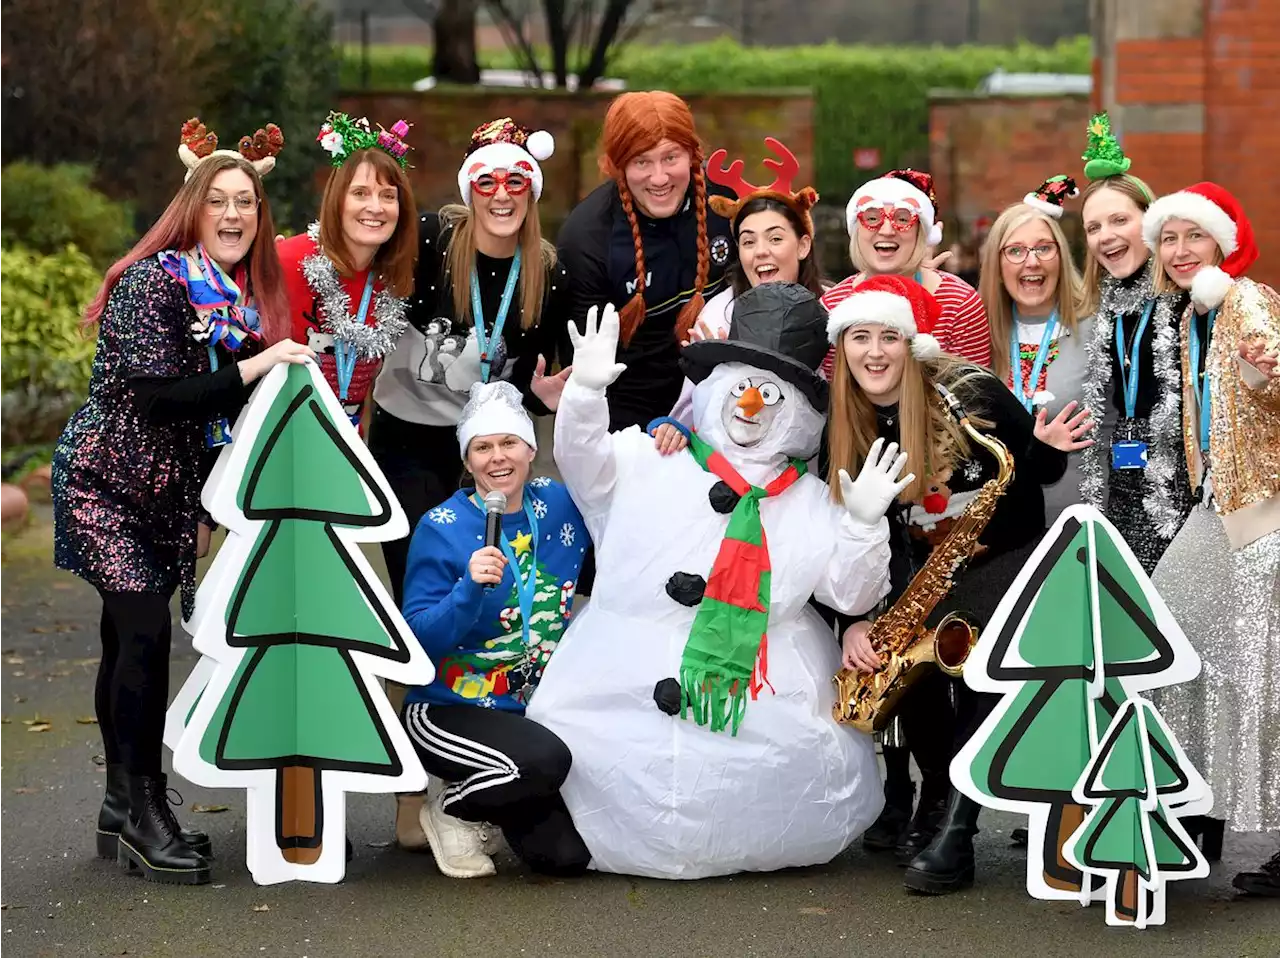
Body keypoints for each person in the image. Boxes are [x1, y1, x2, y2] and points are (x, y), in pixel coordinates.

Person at [527, 284, 902, 879]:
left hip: (764, 681)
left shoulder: (809, 500)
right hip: (620, 670)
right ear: (715, 386)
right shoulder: (649, 457)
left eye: (771, 393)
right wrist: (586, 393)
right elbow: (583, 463)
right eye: (740, 385)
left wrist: (861, 524)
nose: (751, 405)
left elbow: (849, 595)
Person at [51, 118, 313, 886]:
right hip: (106, 483)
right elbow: (159, 397)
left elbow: (211, 423)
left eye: (248, 204)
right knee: (143, 637)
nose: (234, 216)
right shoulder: (151, 283)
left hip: (169, 497)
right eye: (219, 202)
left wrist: (206, 503)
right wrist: (261, 362)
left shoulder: (234, 298)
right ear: (193, 210)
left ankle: (116, 799)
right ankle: (146, 807)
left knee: (123, 638)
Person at [824, 274, 1093, 895]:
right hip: (911, 575)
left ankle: (959, 832)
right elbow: (838, 532)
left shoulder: (970, 393)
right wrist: (859, 618)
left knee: (971, 662)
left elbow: (1032, 471)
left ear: (912, 344)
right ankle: (939, 792)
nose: (874, 352)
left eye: (889, 337)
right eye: (859, 337)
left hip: (1005, 558)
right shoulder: (845, 418)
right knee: (906, 656)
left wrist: (1042, 451)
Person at [1142, 183, 1280, 894]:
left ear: (1223, 243)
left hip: (1263, 509)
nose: (1179, 250)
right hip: (1216, 502)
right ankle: (1190, 809)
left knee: (1268, 677)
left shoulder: (1246, 301)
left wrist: (1266, 378)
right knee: (1175, 630)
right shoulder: (1196, 312)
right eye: (1168, 239)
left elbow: (1275, 379)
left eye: (1194, 236)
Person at [371, 117, 569, 609]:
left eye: (515, 182)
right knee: (419, 568)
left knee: (487, 571)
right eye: (487, 182)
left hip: (487, 447)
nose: (501, 196)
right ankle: (420, 681)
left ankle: (477, 681)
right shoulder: (429, 241)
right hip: (410, 437)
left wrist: (540, 402)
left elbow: (526, 379)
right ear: (470, 189)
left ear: (531, 192)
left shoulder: (545, 273)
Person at [400, 380, 590, 879]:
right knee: (544, 761)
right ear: (467, 462)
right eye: (482, 448)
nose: (497, 459)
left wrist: (668, 428)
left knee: (565, 858)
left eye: (509, 443)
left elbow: (618, 470)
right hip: (448, 706)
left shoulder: (561, 504)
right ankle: (449, 808)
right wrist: (467, 590)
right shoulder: (441, 526)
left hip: (533, 708)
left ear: (531, 448)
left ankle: (494, 790)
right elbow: (415, 640)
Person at [556, 91, 734, 431]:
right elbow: (586, 371)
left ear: (693, 154)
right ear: (617, 165)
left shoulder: (724, 205)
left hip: (721, 405)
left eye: (671, 158)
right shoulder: (587, 238)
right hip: (629, 423)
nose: (659, 178)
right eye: (641, 162)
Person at [1076, 113, 1195, 574]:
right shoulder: (1101, 309)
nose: (1106, 236)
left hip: (1179, 492)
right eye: (1093, 227)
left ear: (1150, 221)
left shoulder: (1188, 301)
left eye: (1119, 220)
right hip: (1119, 489)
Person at [657, 135, 824, 442]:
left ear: (802, 246)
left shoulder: (832, 308)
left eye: (775, 239)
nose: (761, 251)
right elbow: (688, 412)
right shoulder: (719, 314)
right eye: (748, 241)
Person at [279, 111, 417, 432]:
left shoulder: (393, 281)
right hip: (278, 439)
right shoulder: (287, 259)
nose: (376, 207)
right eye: (360, 193)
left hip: (346, 446)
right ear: (337, 200)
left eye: (388, 196)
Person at [979, 175, 1094, 518]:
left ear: (1060, 256)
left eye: (1044, 248)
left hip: (1082, 524)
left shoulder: (1097, 327)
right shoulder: (977, 333)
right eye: (1015, 251)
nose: (1031, 262)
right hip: (1002, 533)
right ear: (998, 267)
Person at [820, 169, 992, 377]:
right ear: (856, 230)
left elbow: (975, 397)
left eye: (902, 219)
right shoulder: (832, 307)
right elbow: (830, 399)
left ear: (921, 232)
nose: (886, 230)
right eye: (872, 218)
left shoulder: (959, 303)